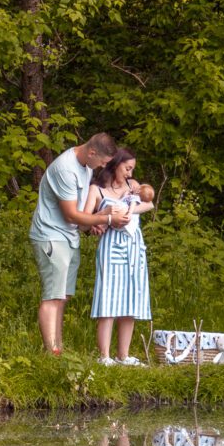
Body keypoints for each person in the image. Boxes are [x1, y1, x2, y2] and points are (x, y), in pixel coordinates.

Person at [29, 133, 128, 355]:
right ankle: (52, 354)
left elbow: (79, 217)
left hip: (68, 236)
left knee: (63, 296)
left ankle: (57, 349)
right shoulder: (66, 168)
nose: (103, 167)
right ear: (92, 152)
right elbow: (71, 215)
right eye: (102, 162)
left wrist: (90, 224)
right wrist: (104, 217)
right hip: (51, 235)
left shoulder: (85, 167)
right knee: (52, 296)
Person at [84, 148, 154, 366]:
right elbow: (85, 219)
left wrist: (129, 211)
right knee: (109, 296)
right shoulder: (97, 190)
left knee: (131, 297)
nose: (130, 172)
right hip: (111, 246)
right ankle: (104, 356)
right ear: (115, 165)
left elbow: (149, 202)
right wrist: (104, 219)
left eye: (132, 169)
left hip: (134, 246)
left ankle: (123, 355)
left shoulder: (133, 186)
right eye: (127, 168)